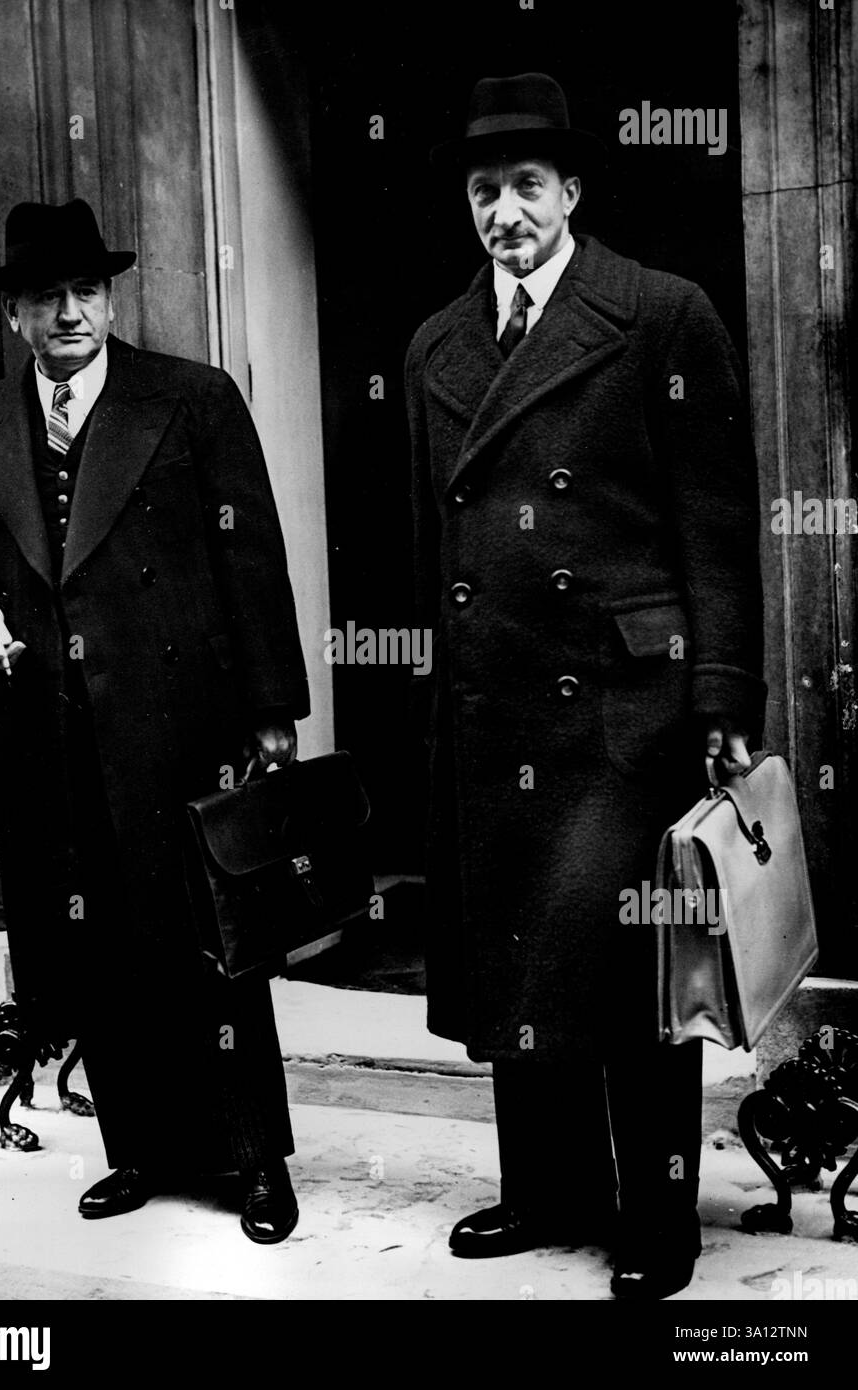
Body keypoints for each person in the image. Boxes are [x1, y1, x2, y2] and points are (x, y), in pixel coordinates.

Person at [406, 74, 765, 1298]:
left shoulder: (660, 316)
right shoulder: (433, 347)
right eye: (480, 191)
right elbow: (429, 549)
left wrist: (720, 696)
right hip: (490, 698)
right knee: (520, 960)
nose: (501, 212)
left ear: (568, 193)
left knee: (632, 970)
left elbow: (714, 525)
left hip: (624, 701)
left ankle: (657, 1218)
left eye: (522, 187)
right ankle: (547, 1188)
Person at [0, 198, 309, 1243]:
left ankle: (255, 1159)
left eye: (86, 291)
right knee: (93, 951)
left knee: (206, 950)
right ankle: (139, 1149)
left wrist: (273, 712)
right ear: (12, 314)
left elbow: (252, 560)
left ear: (109, 296)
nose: (70, 313)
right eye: (45, 297)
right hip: (44, 730)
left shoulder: (189, 400)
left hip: (172, 723)